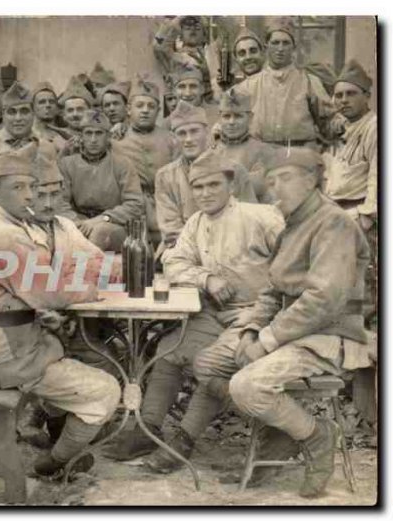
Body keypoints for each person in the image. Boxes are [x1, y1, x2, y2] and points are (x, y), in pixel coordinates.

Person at [193, 147, 373, 497]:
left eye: (286, 178)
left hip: (327, 334)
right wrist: (248, 332)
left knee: (246, 386)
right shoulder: (293, 222)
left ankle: (316, 434)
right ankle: (282, 429)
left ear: (312, 180)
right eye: (272, 180)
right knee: (207, 364)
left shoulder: (333, 222)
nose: (276, 187)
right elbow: (273, 291)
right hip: (289, 330)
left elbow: (324, 300)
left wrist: (267, 340)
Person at [103, 154, 284, 468]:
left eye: (213, 184)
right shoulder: (196, 222)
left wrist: (265, 311)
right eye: (197, 187)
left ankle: (183, 441)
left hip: (256, 315)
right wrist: (206, 278)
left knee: (215, 366)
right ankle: (148, 429)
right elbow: (173, 263)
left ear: (230, 185)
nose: (205, 193)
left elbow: (294, 263)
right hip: (214, 312)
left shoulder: (261, 216)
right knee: (169, 349)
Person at [0, 143, 121, 477]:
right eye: (19, 188)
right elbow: (51, 293)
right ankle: (55, 464)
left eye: (31, 186)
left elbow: (39, 291)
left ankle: (51, 432)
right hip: (1, 356)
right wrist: (88, 288)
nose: (29, 196)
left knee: (66, 350)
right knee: (106, 391)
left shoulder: (2, 227)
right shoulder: (7, 235)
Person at [155, 101, 256, 248]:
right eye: (182, 133)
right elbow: (170, 229)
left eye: (194, 131)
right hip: (182, 248)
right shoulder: (165, 176)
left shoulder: (234, 170)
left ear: (207, 133)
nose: (188, 139)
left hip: (228, 247)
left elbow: (249, 219)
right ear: (174, 138)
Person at [323, 59, 377, 322]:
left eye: (351, 94)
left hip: (360, 215)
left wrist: (367, 216)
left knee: (362, 281)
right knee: (343, 279)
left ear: (367, 96)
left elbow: (379, 175)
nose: (343, 100)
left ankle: (367, 340)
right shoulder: (345, 129)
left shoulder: (375, 128)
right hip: (339, 213)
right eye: (338, 95)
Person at [0, 80, 58, 230]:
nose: (18, 118)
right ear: (3, 115)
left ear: (33, 113)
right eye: (12, 112)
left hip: (38, 226)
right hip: (0, 225)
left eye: (24, 111)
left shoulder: (46, 147)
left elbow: (53, 191)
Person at [232, 17, 333, 148]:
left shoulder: (309, 82)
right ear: (266, 47)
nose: (280, 48)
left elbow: (330, 122)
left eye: (286, 43)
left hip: (300, 154)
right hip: (261, 155)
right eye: (275, 43)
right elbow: (229, 121)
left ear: (294, 47)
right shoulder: (247, 86)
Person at [56, 109, 144, 252]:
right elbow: (60, 202)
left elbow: (135, 204)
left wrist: (103, 219)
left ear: (108, 136)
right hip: (79, 222)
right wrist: (77, 223)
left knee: (99, 232)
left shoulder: (122, 164)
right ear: (81, 136)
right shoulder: (67, 164)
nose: (93, 140)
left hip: (115, 225)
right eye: (88, 133)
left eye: (99, 133)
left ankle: (86, 272)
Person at [110, 77, 177, 247]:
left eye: (151, 106)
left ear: (159, 110)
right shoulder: (116, 140)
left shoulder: (171, 140)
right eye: (139, 106)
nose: (145, 110)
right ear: (128, 109)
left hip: (166, 207)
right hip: (130, 210)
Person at [211, 88, 276, 203]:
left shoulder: (264, 152)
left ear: (250, 118)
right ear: (219, 118)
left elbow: (262, 188)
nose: (231, 122)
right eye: (226, 116)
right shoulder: (211, 150)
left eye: (238, 116)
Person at [57, 75, 95, 157]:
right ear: (64, 115)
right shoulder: (56, 139)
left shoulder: (98, 137)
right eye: (70, 110)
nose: (75, 114)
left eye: (80, 109)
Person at [31, 82, 69, 153]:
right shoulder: (27, 134)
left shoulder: (65, 134)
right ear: (33, 107)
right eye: (42, 102)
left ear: (57, 107)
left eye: (51, 102)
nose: (48, 105)